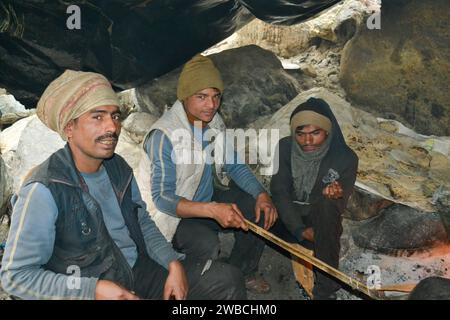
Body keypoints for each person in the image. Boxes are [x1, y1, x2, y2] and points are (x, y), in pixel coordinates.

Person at [0, 70, 241, 300]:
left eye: (115, 116)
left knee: (227, 280)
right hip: (89, 287)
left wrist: (172, 262)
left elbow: (142, 222)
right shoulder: (44, 190)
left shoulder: (118, 167)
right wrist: (92, 290)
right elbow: (16, 277)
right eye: (97, 117)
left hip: (137, 270)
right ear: (69, 128)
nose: (112, 127)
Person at [139, 54, 278, 296]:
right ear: (184, 97)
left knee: (257, 210)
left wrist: (261, 194)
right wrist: (212, 210)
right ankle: (193, 285)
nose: (211, 105)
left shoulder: (213, 122)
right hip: (174, 215)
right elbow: (162, 198)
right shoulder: (164, 135)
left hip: (206, 198)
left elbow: (234, 165)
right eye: (201, 97)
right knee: (206, 244)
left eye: (216, 97)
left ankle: (242, 272)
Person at [270, 97, 358, 300]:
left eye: (315, 133)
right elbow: (280, 191)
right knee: (254, 207)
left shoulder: (344, 158)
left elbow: (338, 207)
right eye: (300, 134)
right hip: (286, 216)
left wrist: (334, 196)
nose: (307, 141)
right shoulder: (284, 148)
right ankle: (246, 269)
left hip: (316, 220)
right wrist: (300, 230)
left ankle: (325, 291)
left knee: (328, 208)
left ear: (327, 132)